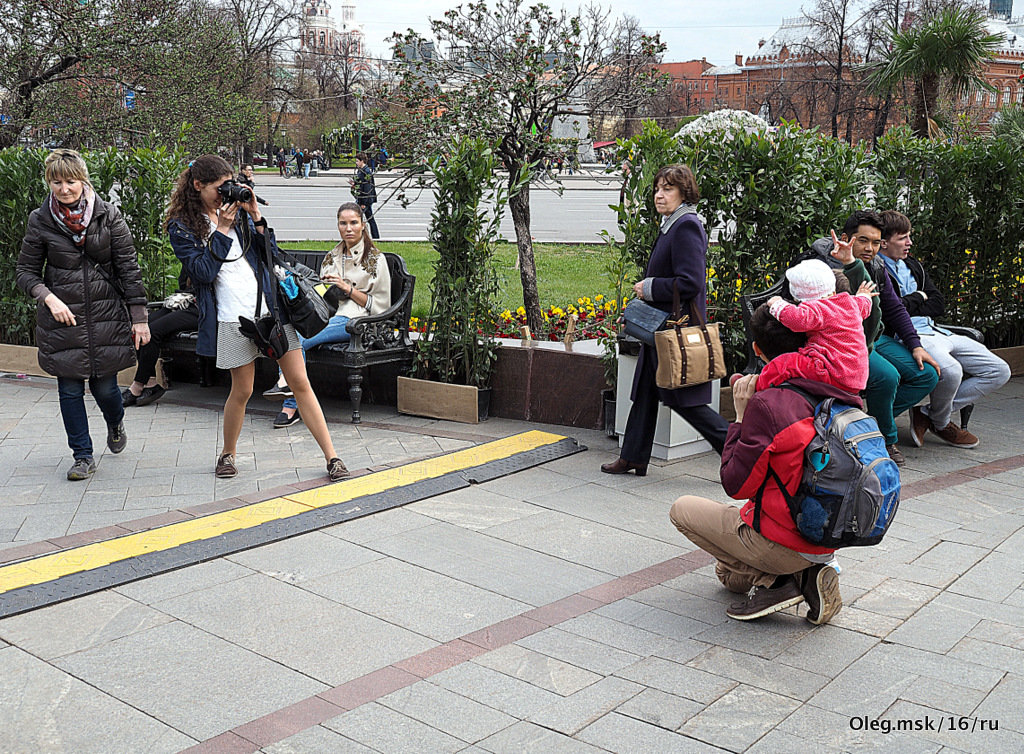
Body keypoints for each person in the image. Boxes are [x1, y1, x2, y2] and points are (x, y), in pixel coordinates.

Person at [166, 154, 347, 481]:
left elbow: (272, 255)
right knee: (243, 390)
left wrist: (256, 217)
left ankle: (332, 458)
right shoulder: (181, 226)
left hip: (271, 312)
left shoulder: (241, 216)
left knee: (300, 384)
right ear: (197, 186)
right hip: (231, 318)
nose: (226, 194)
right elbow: (203, 273)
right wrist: (221, 229)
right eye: (219, 188)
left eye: (229, 185)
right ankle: (228, 453)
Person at [670, 305, 846, 624]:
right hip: (828, 533)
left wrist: (739, 416)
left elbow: (736, 485)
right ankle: (801, 575)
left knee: (681, 509)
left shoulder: (769, 404)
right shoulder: (838, 386)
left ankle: (786, 579)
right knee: (727, 576)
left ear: (757, 349)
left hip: (783, 539)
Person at [16, 149, 151, 481]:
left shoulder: (109, 216)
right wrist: (48, 298)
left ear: (83, 180)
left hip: (105, 317)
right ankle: (82, 456)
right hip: (64, 321)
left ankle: (115, 421)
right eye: (57, 182)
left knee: (106, 390)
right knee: (70, 391)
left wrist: (140, 317)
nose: (64, 189)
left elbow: (128, 269)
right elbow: (25, 272)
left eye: (71, 181)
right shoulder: (40, 220)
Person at [601, 164, 730, 476]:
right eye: (658, 188)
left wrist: (650, 287)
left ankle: (737, 452)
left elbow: (691, 282)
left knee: (684, 400)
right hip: (662, 327)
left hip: (675, 328)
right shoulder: (672, 223)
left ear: (684, 193)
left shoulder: (686, 225)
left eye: (668, 189)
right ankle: (633, 456)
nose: (660, 195)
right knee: (645, 391)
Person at [799, 210, 940, 466]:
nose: (870, 248)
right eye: (863, 240)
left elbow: (894, 307)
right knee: (887, 377)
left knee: (927, 374)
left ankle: (864, 426)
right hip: (838, 344)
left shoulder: (876, 265)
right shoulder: (823, 265)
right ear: (845, 238)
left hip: (871, 339)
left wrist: (915, 345)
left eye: (876, 242)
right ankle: (886, 438)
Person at [878, 210, 1010, 449]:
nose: (910, 243)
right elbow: (891, 314)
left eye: (910, 236)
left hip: (938, 332)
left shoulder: (913, 265)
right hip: (907, 336)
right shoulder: (877, 270)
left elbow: (938, 303)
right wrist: (919, 297)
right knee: (951, 371)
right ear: (884, 242)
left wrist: (911, 301)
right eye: (903, 238)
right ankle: (941, 423)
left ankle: (928, 414)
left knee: (999, 370)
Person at [263, 202, 392, 427]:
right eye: (343, 223)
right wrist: (322, 288)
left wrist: (347, 288)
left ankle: (290, 402)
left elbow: (380, 305)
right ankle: (289, 390)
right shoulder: (333, 255)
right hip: (328, 315)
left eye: (353, 223)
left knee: (297, 342)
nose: (348, 228)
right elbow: (321, 295)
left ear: (363, 224)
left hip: (357, 321)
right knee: (289, 337)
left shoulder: (375, 259)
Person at [759, 256, 876, 395]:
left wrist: (777, 304)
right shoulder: (850, 303)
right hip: (857, 377)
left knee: (786, 363)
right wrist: (865, 296)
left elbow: (797, 320)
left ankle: (758, 388)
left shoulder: (818, 310)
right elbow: (864, 306)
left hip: (833, 373)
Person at [122, 265, 198, 408]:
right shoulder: (194, 247)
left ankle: (137, 386)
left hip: (203, 309)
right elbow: (183, 283)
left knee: (152, 330)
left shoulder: (218, 250)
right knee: (141, 325)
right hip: (186, 303)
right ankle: (150, 383)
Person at [350, 152, 380, 239]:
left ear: (362, 161)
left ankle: (358, 236)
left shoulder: (366, 172)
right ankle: (375, 236)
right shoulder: (362, 170)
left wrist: (363, 202)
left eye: (357, 161)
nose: (356, 163)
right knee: (369, 219)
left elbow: (366, 188)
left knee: (358, 218)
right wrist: (354, 183)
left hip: (364, 199)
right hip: (363, 199)